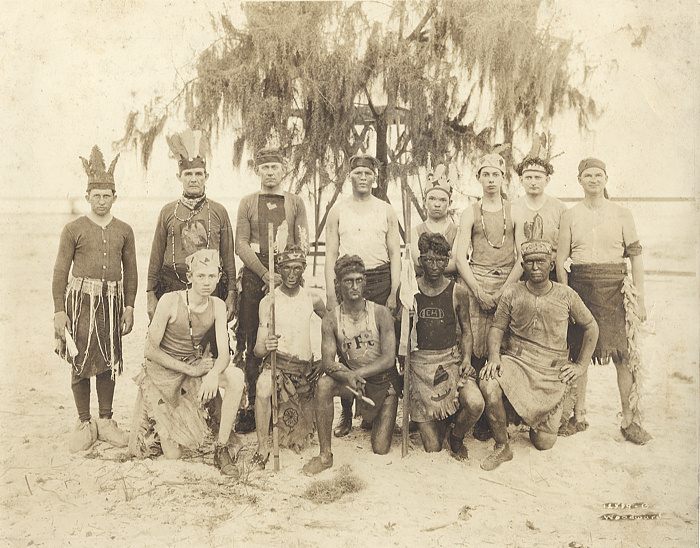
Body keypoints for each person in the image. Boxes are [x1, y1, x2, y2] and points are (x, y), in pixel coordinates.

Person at [478, 234, 598, 471]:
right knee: (488, 382)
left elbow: (591, 326)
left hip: (550, 372)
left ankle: (532, 419)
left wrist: (581, 365)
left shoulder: (566, 295)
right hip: (517, 362)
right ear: (522, 266)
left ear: (551, 264)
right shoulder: (512, 292)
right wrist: (493, 357)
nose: (535, 267)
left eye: (540, 261)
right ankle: (503, 446)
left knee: (544, 443)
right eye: (529, 262)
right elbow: (497, 327)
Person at [557, 157, 650, 444]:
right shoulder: (570, 215)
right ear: (580, 181)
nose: (594, 180)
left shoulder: (622, 214)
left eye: (599, 175)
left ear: (606, 179)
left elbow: (635, 258)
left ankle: (629, 420)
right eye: (588, 175)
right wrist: (566, 298)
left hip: (614, 289)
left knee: (623, 356)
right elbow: (561, 260)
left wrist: (640, 299)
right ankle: (577, 415)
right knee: (578, 353)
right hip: (580, 287)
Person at [130, 249, 246, 477]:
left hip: (193, 369)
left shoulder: (218, 305)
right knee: (172, 454)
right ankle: (156, 424)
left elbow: (224, 354)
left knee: (235, 377)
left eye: (212, 276)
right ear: (190, 277)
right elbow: (149, 350)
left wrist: (213, 375)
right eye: (201, 276)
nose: (206, 283)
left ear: (220, 276)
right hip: (163, 374)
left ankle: (221, 448)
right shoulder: (170, 301)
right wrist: (190, 369)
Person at [52, 145, 137, 453]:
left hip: (112, 304)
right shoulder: (73, 229)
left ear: (115, 196)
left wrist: (129, 306)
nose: (102, 201)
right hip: (80, 303)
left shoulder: (124, 230)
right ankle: (83, 422)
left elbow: (131, 271)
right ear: (87, 196)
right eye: (96, 195)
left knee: (109, 360)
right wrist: (59, 312)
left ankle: (106, 420)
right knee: (80, 360)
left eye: (107, 195)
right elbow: (60, 271)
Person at [324, 153, 401, 437]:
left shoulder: (385, 209)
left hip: (379, 279)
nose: (363, 178)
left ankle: (379, 408)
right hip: (347, 280)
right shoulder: (338, 210)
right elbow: (330, 252)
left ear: (375, 178)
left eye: (368, 173)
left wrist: (394, 291)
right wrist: (331, 293)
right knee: (347, 346)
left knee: (378, 346)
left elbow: (395, 252)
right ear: (350, 177)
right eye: (357, 173)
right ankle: (346, 413)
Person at [235, 147, 309, 432]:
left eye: (274, 167)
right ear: (258, 171)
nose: (269, 172)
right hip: (256, 278)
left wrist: (288, 270)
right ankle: (253, 406)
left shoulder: (295, 203)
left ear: (283, 170)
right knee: (253, 339)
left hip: (288, 275)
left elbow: (302, 242)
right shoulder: (247, 203)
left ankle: (291, 401)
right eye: (264, 167)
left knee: (289, 334)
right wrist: (265, 273)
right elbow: (241, 243)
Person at [303, 255, 399, 475]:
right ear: (338, 284)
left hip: (382, 382)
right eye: (348, 281)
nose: (355, 286)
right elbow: (327, 362)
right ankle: (325, 455)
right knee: (325, 385)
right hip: (352, 382)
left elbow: (388, 358)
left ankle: (374, 416)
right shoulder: (331, 318)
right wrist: (348, 376)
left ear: (365, 282)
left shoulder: (380, 313)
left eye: (359, 280)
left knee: (381, 448)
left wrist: (356, 373)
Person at [146, 129, 237, 351]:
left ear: (207, 176)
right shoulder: (168, 212)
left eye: (198, 174)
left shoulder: (218, 211)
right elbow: (156, 255)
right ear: (180, 177)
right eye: (188, 174)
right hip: (171, 288)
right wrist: (150, 294)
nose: (194, 179)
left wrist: (232, 292)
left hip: (209, 290)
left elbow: (228, 255)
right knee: (170, 351)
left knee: (209, 355)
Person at [454, 152, 520, 440]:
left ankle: (500, 414)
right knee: (476, 343)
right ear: (479, 178)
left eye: (496, 175)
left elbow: (521, 257)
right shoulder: (470, 212)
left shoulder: (514, 211)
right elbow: (459, 257)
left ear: (503, 178)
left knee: (503, 344)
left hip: (506, 282)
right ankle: (475, 415)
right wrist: (478, 290)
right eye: (486, 175)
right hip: (477, 281)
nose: (491, 180)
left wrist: (505, 290)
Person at [408, 233, 484, 459]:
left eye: (441, 260)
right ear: (420, 260)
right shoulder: (410, 291)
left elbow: (467, 331)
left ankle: (457, 435)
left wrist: (467, 359)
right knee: (433, 448)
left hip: (450, 362)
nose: (435, 266)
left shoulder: (457, 291)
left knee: (475, 404)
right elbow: (402, 334)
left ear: (447, 260)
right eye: (429, 260)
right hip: (420, 367)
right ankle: (438, 422)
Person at [250, 246, 326, 469]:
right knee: (263, 385)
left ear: (303, 268)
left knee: (300, 438)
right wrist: (267, 345)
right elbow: (257, 351)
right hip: (278, 366)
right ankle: (262, 446)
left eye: (297, 268)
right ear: (279, 270)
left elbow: (331, 325)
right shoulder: (269, 301)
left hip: (304, 371)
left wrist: (324, 358)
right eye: (286, 269)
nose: (292, 274)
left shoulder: (312, 298)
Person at [510, 155, 568, 282]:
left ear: (547, 180)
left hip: (552, 272)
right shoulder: (512, 208)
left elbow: (565, 249)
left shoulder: (560, 208)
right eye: (528, 178)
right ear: (521, 180)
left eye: (538, 177)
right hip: (523, 272)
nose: (533, 182)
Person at [410, 165, 458, 278]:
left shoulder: (457, 231)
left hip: (449, 283)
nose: (437, 204)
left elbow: (455, 264)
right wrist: (445, 261)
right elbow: (417, 262)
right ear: (424, 201)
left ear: (450, 203)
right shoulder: (415, 231)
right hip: (422, 284)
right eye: (432, 199)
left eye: (442, 200)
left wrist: (426, 262)